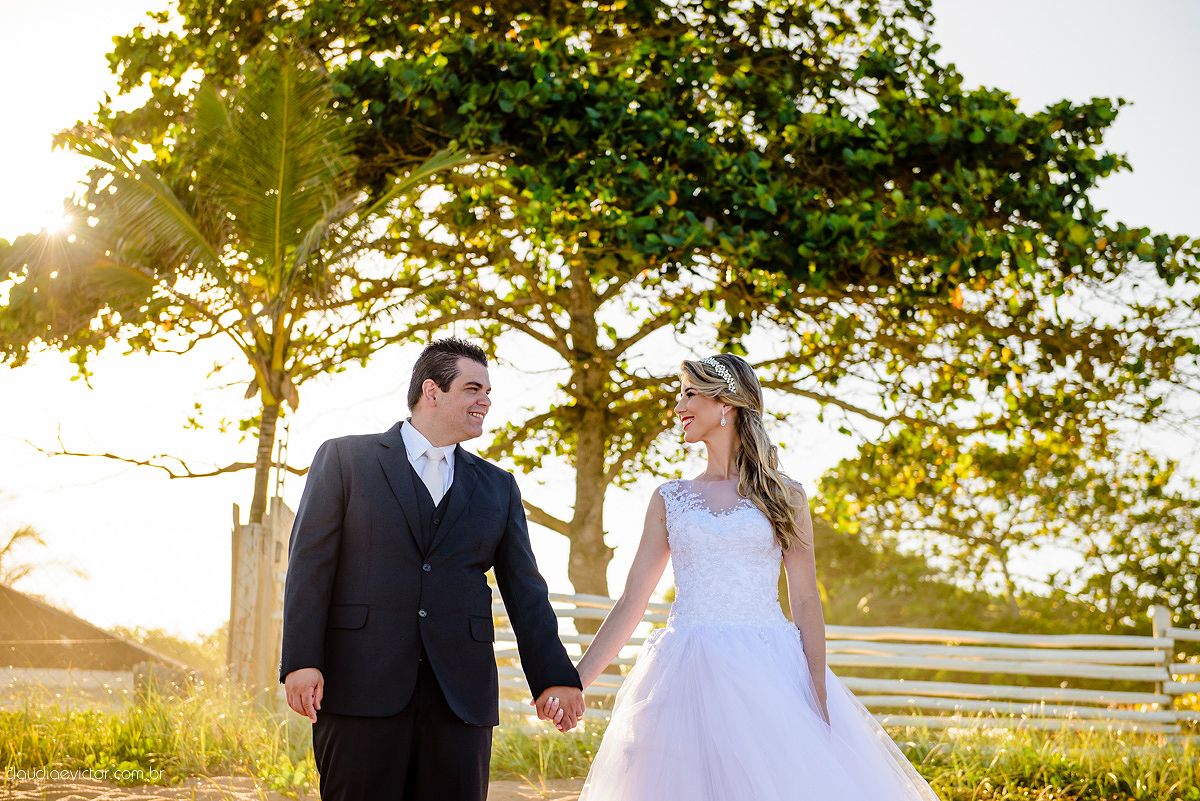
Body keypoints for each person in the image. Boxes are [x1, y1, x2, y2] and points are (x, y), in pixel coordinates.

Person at [551, 354, 941, 801]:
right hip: (682, 671)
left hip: (768, 669)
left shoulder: (784, 495)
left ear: (727, 405)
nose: (678, 406)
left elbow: (806, 599)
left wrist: (815, 688)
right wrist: (575, 682)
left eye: (690, 394)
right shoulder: (670, 498)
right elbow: (631, 602)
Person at [279, 338, 584, 801]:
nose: (485, 401)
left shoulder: (498, 486)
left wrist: (554, 676)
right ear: (432, 391)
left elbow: (525, 589)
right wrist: (301, 661)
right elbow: (309, 566)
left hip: (460, 699)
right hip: (361, 686)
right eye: (472, 388)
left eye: (488, 392)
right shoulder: (345, 459)